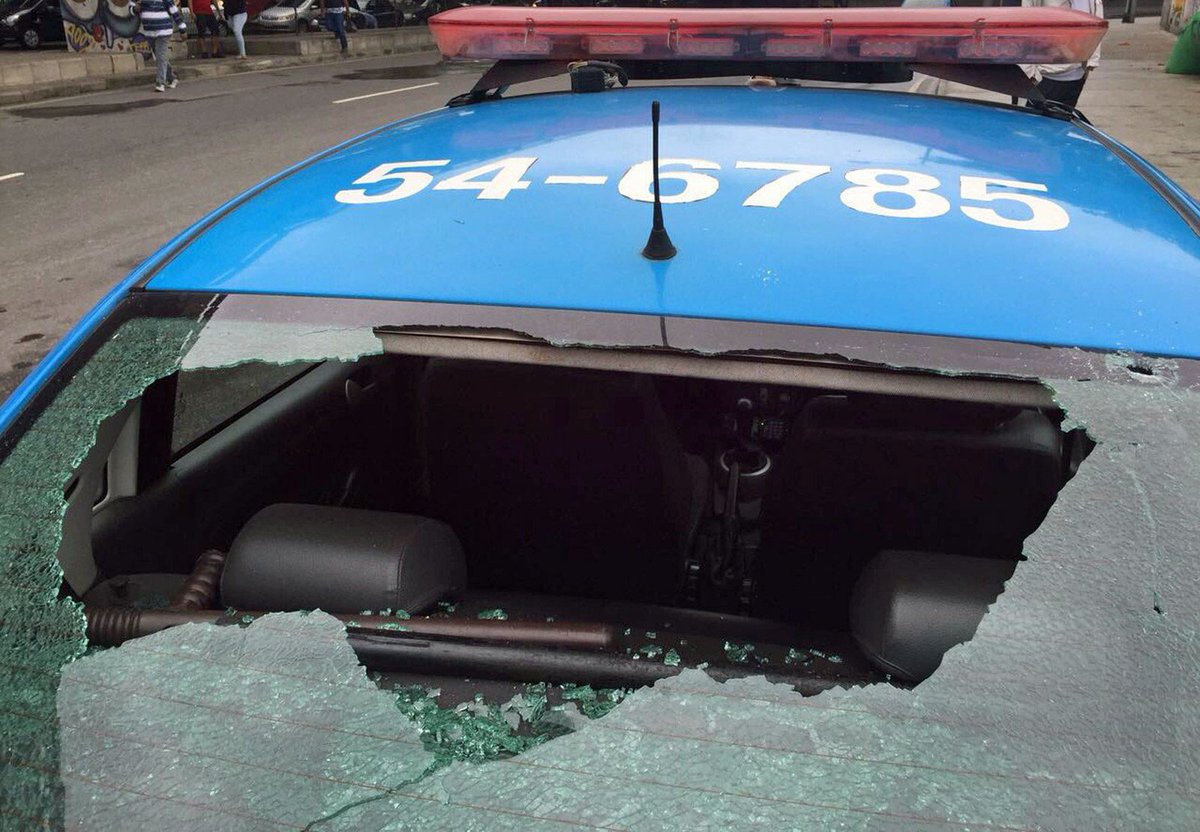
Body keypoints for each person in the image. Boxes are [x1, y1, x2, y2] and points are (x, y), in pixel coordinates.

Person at [1022, 0, 1104, 108]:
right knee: (1034, 118)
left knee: (1064, 116)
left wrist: (1090, 63)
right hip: (1047, 75)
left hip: (1077, 74)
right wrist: (1030, 74)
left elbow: (1096, 23)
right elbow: (1025, 26)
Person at [139, 0, 187, 92]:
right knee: (160, 56)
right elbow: (133, 9)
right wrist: (134, 9)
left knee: (160, 56)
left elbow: (175, 13)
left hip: (163, 31)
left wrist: (182, 30)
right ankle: (172, 78)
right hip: (149, 32)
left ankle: (160, 83)